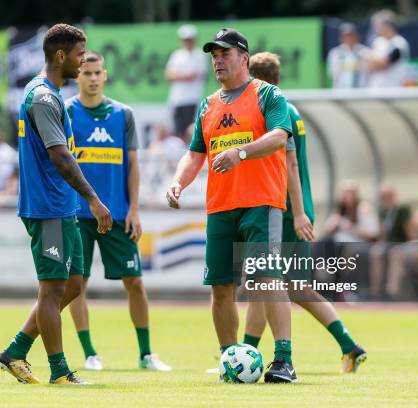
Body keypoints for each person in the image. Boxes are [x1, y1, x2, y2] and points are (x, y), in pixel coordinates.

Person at [166, 28, 297, 383]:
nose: (218, 61)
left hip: (261, 202)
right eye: (214, 56)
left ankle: (284, 359)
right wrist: (179, 181)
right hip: (220, 206)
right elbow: (195, 154)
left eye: (224, 54)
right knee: (221, 286)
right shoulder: (207, 104)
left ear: (244, 58)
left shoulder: (267, 94)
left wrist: (239, 152)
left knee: (267, 280)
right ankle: (229, 361)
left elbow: (278, 137)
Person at [0, 24, 112, 386]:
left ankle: (15, 350)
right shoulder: (44, 97)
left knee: (73, 285)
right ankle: (60, 370)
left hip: (62, 206)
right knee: (52, 290)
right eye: (79, 55)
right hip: (47, 208)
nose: (82, 61)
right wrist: (94, 199)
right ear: (61, 56)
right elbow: (60, 156)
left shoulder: (48, 93)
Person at [243, 52, 367, 374]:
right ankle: (349, 346)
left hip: (282, 207)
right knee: (293, 286)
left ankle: (249, 356)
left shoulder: (272, 113)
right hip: (295, 206)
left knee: (264, 283)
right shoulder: (291, 111)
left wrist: (295, 211)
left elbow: (287, 163)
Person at [65, 51, 171, 372]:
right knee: (76, 284)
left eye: (98, 73)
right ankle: (89, 353)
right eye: (87, 74)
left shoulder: (123, 114)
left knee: (135, 282)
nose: (93, 79)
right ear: (77, 77)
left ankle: (146, 354)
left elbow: (133, 165)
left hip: (118, 214)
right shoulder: (66, 112)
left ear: (106, 75)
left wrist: (135, 209)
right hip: (78, 214)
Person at [369, 183, 412, 299]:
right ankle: (376, 291)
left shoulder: (402, 210)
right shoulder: (382, 212)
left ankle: (393, 292)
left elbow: (409, 233)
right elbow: (382, 234)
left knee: (395, 254)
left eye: (387, 196)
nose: (385, 199)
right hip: (388, 244)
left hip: (402, 244)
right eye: (383, 197)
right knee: (376, 253)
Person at [165, 24, 208, 140]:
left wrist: (178, 76)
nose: (188, 42)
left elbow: (194, 75)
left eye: (190, 39)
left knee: (191, 131)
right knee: (177, 132)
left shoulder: (200, 55)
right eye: (185, 40)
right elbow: (169, 75)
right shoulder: (177, 55)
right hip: (177, 99)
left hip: (193, 99)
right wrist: (184, 76)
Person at [365, 10, 411, 88]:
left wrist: (375, 61)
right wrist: (377, 62)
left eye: (378, 26)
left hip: (393, 88)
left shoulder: (399, 43)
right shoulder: (377, 42)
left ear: (387, 26)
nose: (375, 29)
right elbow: (368, 65)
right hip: (375, 88)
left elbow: (385, 64)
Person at [327, 23, 369, 88]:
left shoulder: (365, 51)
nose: (349, 38)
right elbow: (333, 74)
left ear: (357, 36)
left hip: (361, 92)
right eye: (346, 36)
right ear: (341, 38)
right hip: (341, 91)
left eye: (351, 35)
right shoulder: (335, 53)